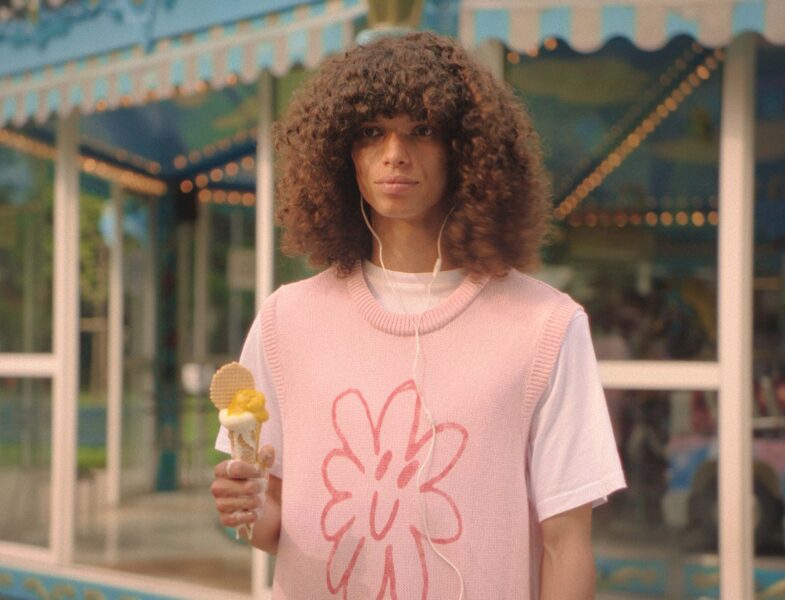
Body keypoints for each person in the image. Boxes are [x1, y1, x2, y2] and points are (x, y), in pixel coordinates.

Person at [211, 31, 625, 599]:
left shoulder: (546, 325)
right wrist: (246, 506)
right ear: (341, 152)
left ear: (466, 150)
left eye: (422, 130)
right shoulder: (286, 321)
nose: (394, 153)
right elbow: (275, 529)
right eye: (371, 132)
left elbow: (566, 545)